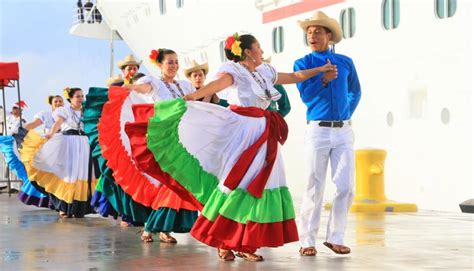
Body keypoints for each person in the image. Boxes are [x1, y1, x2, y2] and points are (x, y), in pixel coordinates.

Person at [133, 33, 335, 261]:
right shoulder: (235, 71)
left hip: (265, 130)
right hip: (244, 133)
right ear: (247, 51)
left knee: (264, 184)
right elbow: (216, 85)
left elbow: (295, 75)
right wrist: (193, 96)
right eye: (258, 47)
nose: (261, 51)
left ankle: (247, 243)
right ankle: (223, 242)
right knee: (239, 183)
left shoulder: (265, 71)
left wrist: (319, 70)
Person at [102, 48, 199, 243]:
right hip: (165, 139)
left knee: (179, 184)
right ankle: (152, 227)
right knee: (173, 183)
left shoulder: (185, 85)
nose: (174, 66)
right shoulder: (153, 83)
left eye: (176, 61)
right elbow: (142, 90)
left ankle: (160, 228)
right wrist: (126, 88)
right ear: (160, 65)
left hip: (186, 139)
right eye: (170, 62)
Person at [294, 11, 361, 256]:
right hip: (317, 130)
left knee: (346, 186)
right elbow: (305, 96)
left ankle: (335, 237)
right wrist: (322, 80)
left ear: (329, 35)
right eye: (309, 32)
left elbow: (355, 91)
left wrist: (345, 112)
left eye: (317, 31)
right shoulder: (303, 64)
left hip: (343, 131)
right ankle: (307, 241)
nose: (312, 36)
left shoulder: (346, 62)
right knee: (314, 186)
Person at [20, 88, 96, 218]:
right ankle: (63, 207)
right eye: (78, 96)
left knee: (81, 174)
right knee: (68, 174)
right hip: (68, 143)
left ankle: (78, 208)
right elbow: (58, 123)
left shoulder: (87, 111)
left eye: (82, 96)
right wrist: (50, 134)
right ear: (70, 98)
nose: (81, 99)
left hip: (84, 144)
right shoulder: (64, 111)